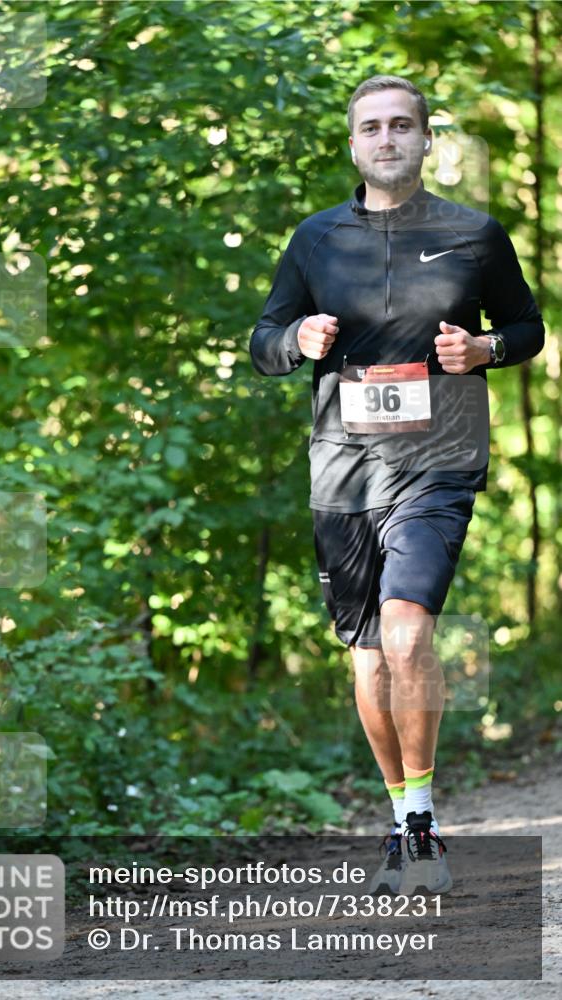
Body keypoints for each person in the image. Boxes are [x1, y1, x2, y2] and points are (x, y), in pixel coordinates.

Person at [249, 75, 545, 894]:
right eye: (371, 127)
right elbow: (261, 339)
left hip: (438, 461)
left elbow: (526, 328)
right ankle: (400, 814)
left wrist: (482, 351)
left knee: (408, 630)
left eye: (401, 126)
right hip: (341, 470)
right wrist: (296, 339)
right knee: (369, 656)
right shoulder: (314, 240)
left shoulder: (474, 235)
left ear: (422, 140)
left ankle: (421, 829)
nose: (386, 139)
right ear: (353, 144)